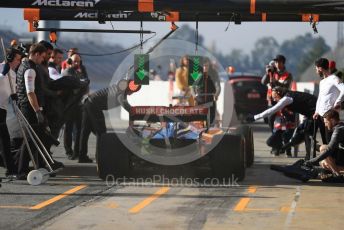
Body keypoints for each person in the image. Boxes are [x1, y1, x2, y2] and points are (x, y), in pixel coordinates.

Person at [16, 43, 62, 179]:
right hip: (30, 109)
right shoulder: (30, 69)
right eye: (42, 56)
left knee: (35, 138)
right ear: (36, 54)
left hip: (28, 107)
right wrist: (37, 111)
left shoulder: (25, 66)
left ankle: (38, 165)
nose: (43, 59)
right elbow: (30, 93)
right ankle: (21, 170)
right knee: (31, 139)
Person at [247, 86, 327, 158]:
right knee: (303, 133)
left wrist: (255, 117)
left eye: (275, 97)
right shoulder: (289, 96)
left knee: (311, 136)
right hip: (312, 114)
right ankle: (310, 155)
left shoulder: (287, 98)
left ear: (279, 93)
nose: (274, 99)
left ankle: (318, 156)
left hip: (317, 113)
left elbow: (272, 110)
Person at [78, 82, 132, 163]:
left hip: (88, 102)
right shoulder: (121, 92)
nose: (132, 92)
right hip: (94, 106)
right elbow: (125, 105)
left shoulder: (119, 87)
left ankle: (82, 156)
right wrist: (134, 112)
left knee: (85, 131)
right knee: (101, 132)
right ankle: (100, 157)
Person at [62, 53, 89, 160]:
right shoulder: (68, 72)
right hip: (69, 104)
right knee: (68, 129)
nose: (77, 63)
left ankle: (77, 151)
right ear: (70, 62)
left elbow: (86, 85)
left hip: (79, 104)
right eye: (75, 61)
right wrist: (82, 84)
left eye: (78, 61)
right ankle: (69, 151)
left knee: (79, 129)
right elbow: (75, 87)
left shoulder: (81, 71)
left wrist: (83, 84)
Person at [0, 48, 22, 177]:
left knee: (5, 141)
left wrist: (15, 96)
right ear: (10, 59)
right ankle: (10, 168)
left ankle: (11, 169)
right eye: (17, 59)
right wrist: (2, 75)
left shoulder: (13, 74)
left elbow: (13, 91)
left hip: (2, 109)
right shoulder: (1, 69)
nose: (19, 62)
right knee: (4, 140)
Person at [306, 109, 344, 176]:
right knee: (323, 163)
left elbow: (329, 149)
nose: (325, 125)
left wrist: (312, 161)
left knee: (324, 148)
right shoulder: (340, 127)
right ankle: (336, 172)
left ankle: (337, 175)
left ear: (332, 120)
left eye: (326, 122)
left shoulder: (338, 130)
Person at [193, 57, 221, 125]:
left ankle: (210, 127)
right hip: (200, 99)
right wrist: (194, 96)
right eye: (204, 66)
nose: (205, 67)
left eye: (207, 65)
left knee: (211, 119)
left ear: (209, 66)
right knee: (199, 119)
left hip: (210, 98)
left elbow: (218, 86)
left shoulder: (214, 73)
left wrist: (216, 94)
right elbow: (192, 87)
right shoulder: (196, 73)